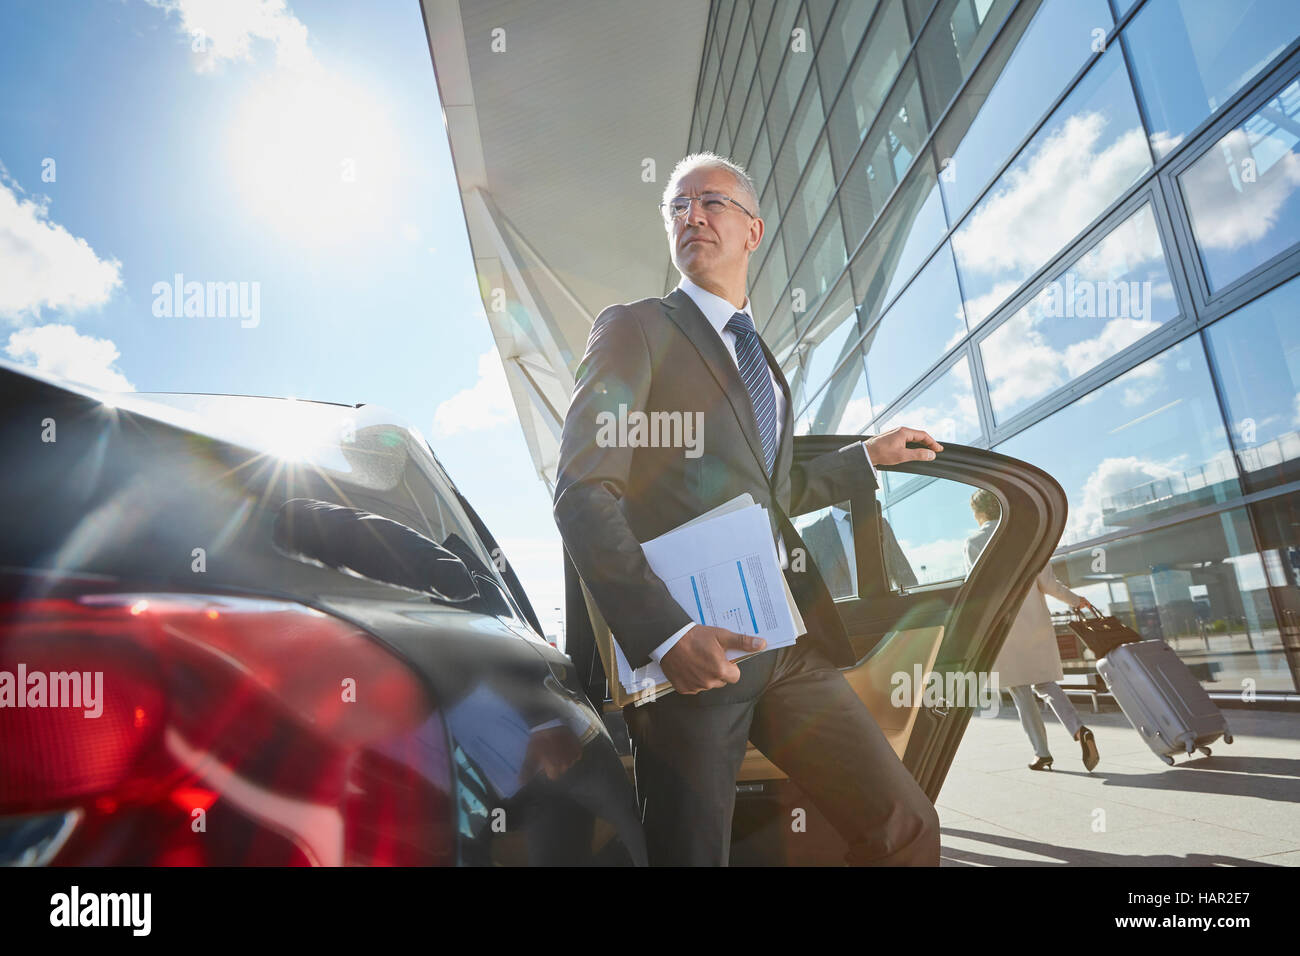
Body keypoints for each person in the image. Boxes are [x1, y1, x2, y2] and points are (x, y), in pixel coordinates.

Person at [553, 152, 944, 865]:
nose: (691, 216)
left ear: (753, 230)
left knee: (905, 825)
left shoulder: (764, 365)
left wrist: (866, 458)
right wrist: (667, 635)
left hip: (783, 644)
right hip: (688, 657)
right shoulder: (635, 329)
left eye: (710, 202)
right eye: (677, 206)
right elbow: (583, 492)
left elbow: (772, 495)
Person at [964, 489, 1100, 772]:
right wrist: (1077, 601)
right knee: (1046, 684)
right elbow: (1049, 585)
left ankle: (1042, 753)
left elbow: (978, 591)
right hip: (1035, 627)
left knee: (1021, 692)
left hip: (1004, 630)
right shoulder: (1028, 540)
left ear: (979, 513)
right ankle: (1079, 730)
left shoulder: (974, 542)